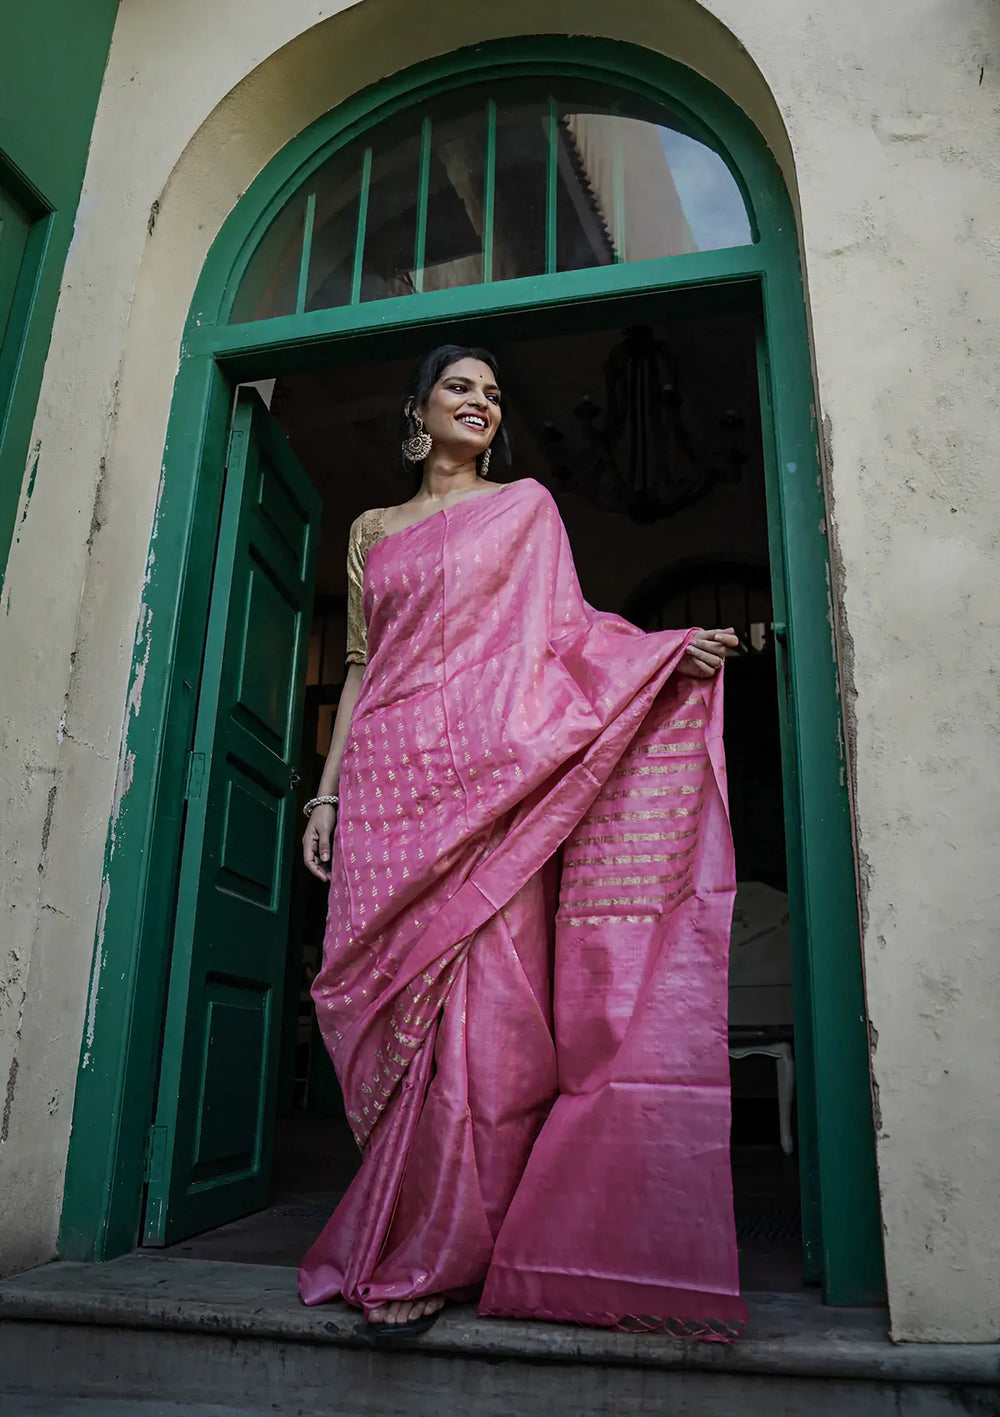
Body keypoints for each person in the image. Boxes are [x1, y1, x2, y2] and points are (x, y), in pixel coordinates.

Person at [298, 345, 745, 1342]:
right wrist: (322, 800)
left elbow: (566, 633)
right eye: (461, 387)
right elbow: (364, 667)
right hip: (385, 784)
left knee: (490, 1012)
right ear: (418, 409)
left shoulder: (529, 509)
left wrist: (670, 650)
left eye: (495, 394)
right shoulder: (373, 529)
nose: (481, 404)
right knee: (382, 1007)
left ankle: (446, 1245)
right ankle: (405, 1222)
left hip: (493, 784)